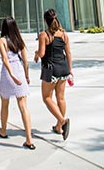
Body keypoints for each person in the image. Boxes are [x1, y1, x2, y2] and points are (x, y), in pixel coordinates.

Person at [0, 16, 35, 150]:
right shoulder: (19, 40)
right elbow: (26, 61)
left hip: (8, 73)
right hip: (20, 72)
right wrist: (26, 76)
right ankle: (29, 139)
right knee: (23, 106)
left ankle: (3, 130)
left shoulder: (1, 41)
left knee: (4, 103)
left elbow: (5, 59)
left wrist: (11, 74)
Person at [34, 9, 73, 140]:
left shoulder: (44, 35)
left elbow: (42, 54)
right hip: (63, 68)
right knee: (60, 98)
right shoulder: (63, 34)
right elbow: (68, 53)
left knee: (46, 98)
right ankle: (58, 127)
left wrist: (36, 53)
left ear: (46, 20)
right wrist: (70, 69)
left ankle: (62, 121)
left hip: (51, 70)